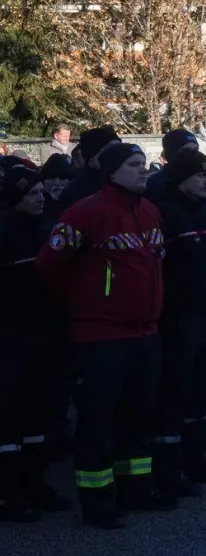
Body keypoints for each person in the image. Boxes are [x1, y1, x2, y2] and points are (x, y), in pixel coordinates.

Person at [36, 144, 172, 527]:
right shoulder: (86, 212)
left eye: (144, 165)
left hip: (146, 332)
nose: (143, 171)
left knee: (139, 415)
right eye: (133, 166)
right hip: (101, 335)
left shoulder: (149, 212)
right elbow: (51, 263)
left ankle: (137, 487)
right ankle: (97, 500)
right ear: (112, 172)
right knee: (98, 419)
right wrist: (87, 301)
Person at [151, 150, 206, 496]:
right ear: (181, 179)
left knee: (201, 391)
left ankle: (195, 459)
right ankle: (168, 471)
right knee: (175, 395)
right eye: (199, 176)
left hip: (205, 314)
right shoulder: (165, 214)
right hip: (176, 319)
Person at [1, 165, 72, 523]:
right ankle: (9, 493)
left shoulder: (49, 229)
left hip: (47, 336)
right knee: (9, 420)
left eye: (41, 191)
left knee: (40, 415)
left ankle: (36, 484)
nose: (40, 197)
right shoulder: (4, 233)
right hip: (11, 339)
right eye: (31, 194)